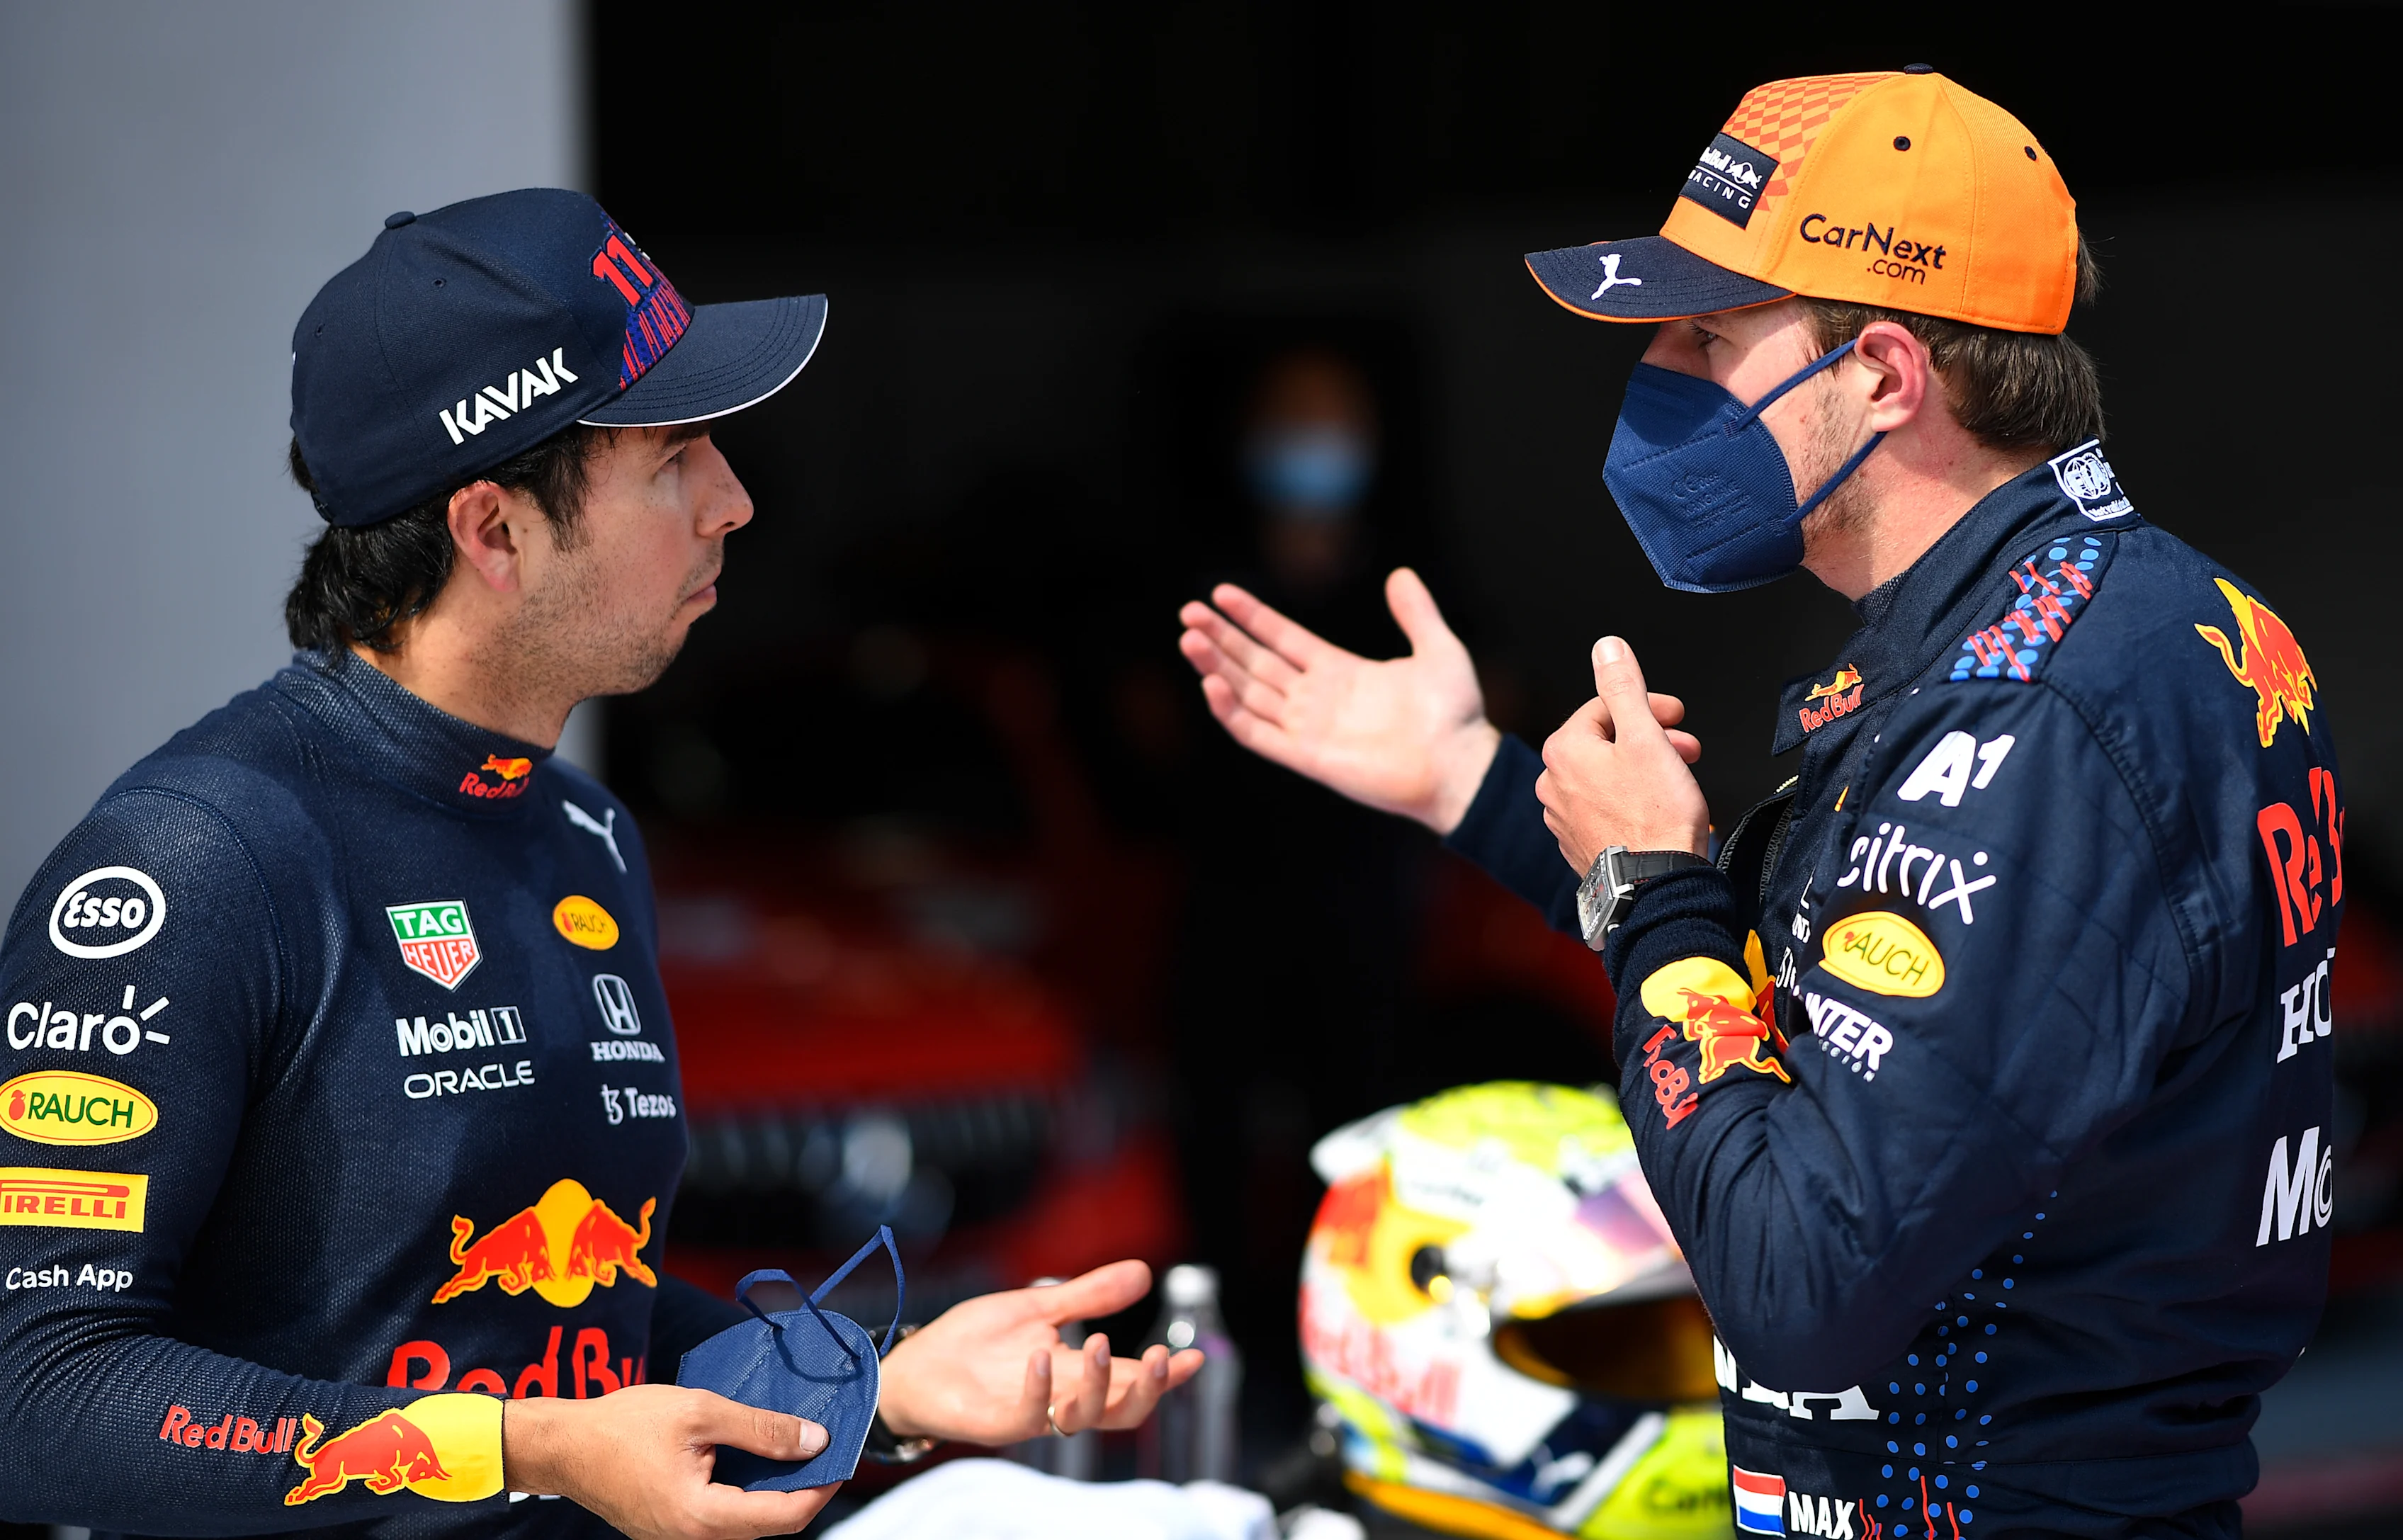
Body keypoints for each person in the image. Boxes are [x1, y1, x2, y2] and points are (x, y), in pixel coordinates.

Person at [1180, 68, 2334, 1539]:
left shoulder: (2030, 711)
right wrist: (1472, 781)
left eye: (1705, 335)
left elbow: (1800, 1275)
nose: (1654, 374)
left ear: (1884, 373)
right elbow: (1814, 989)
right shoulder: (2079, 627)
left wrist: (1655, 883)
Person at [0, 189, 1199, 1540]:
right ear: (494, 531)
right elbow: (34, 1392)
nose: (733, 503)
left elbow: (586, 1331)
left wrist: (879, 1377)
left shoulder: (585, 837)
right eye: (676, 454)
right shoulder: (194, 862)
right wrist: (529, 1449)